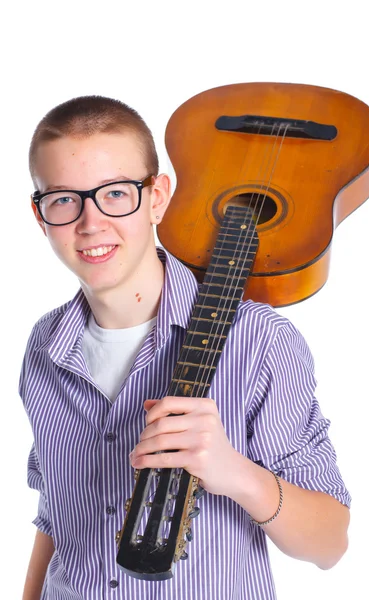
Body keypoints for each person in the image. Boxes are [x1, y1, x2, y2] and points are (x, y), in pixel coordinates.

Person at [20, 95, 351, 600]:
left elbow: (331, 543)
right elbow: (55, 516)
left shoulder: (259, 341)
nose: (90, 223)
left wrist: (236, 472)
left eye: (114, 193)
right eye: (64, 199)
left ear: (157, 198)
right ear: (40, 214)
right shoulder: (44, 347)